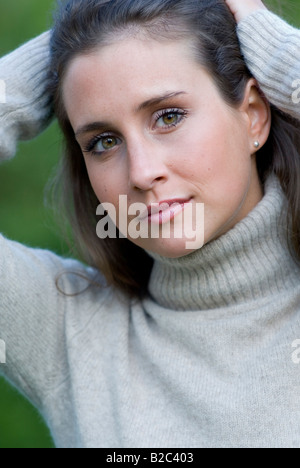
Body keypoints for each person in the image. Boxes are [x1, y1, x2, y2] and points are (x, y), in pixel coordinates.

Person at [0, 0, 300, 449]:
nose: (141, 172)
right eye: (104, 141)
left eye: (168, 116)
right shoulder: (68, 332)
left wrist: (264, 37)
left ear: (253, 114)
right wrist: (61, 52)